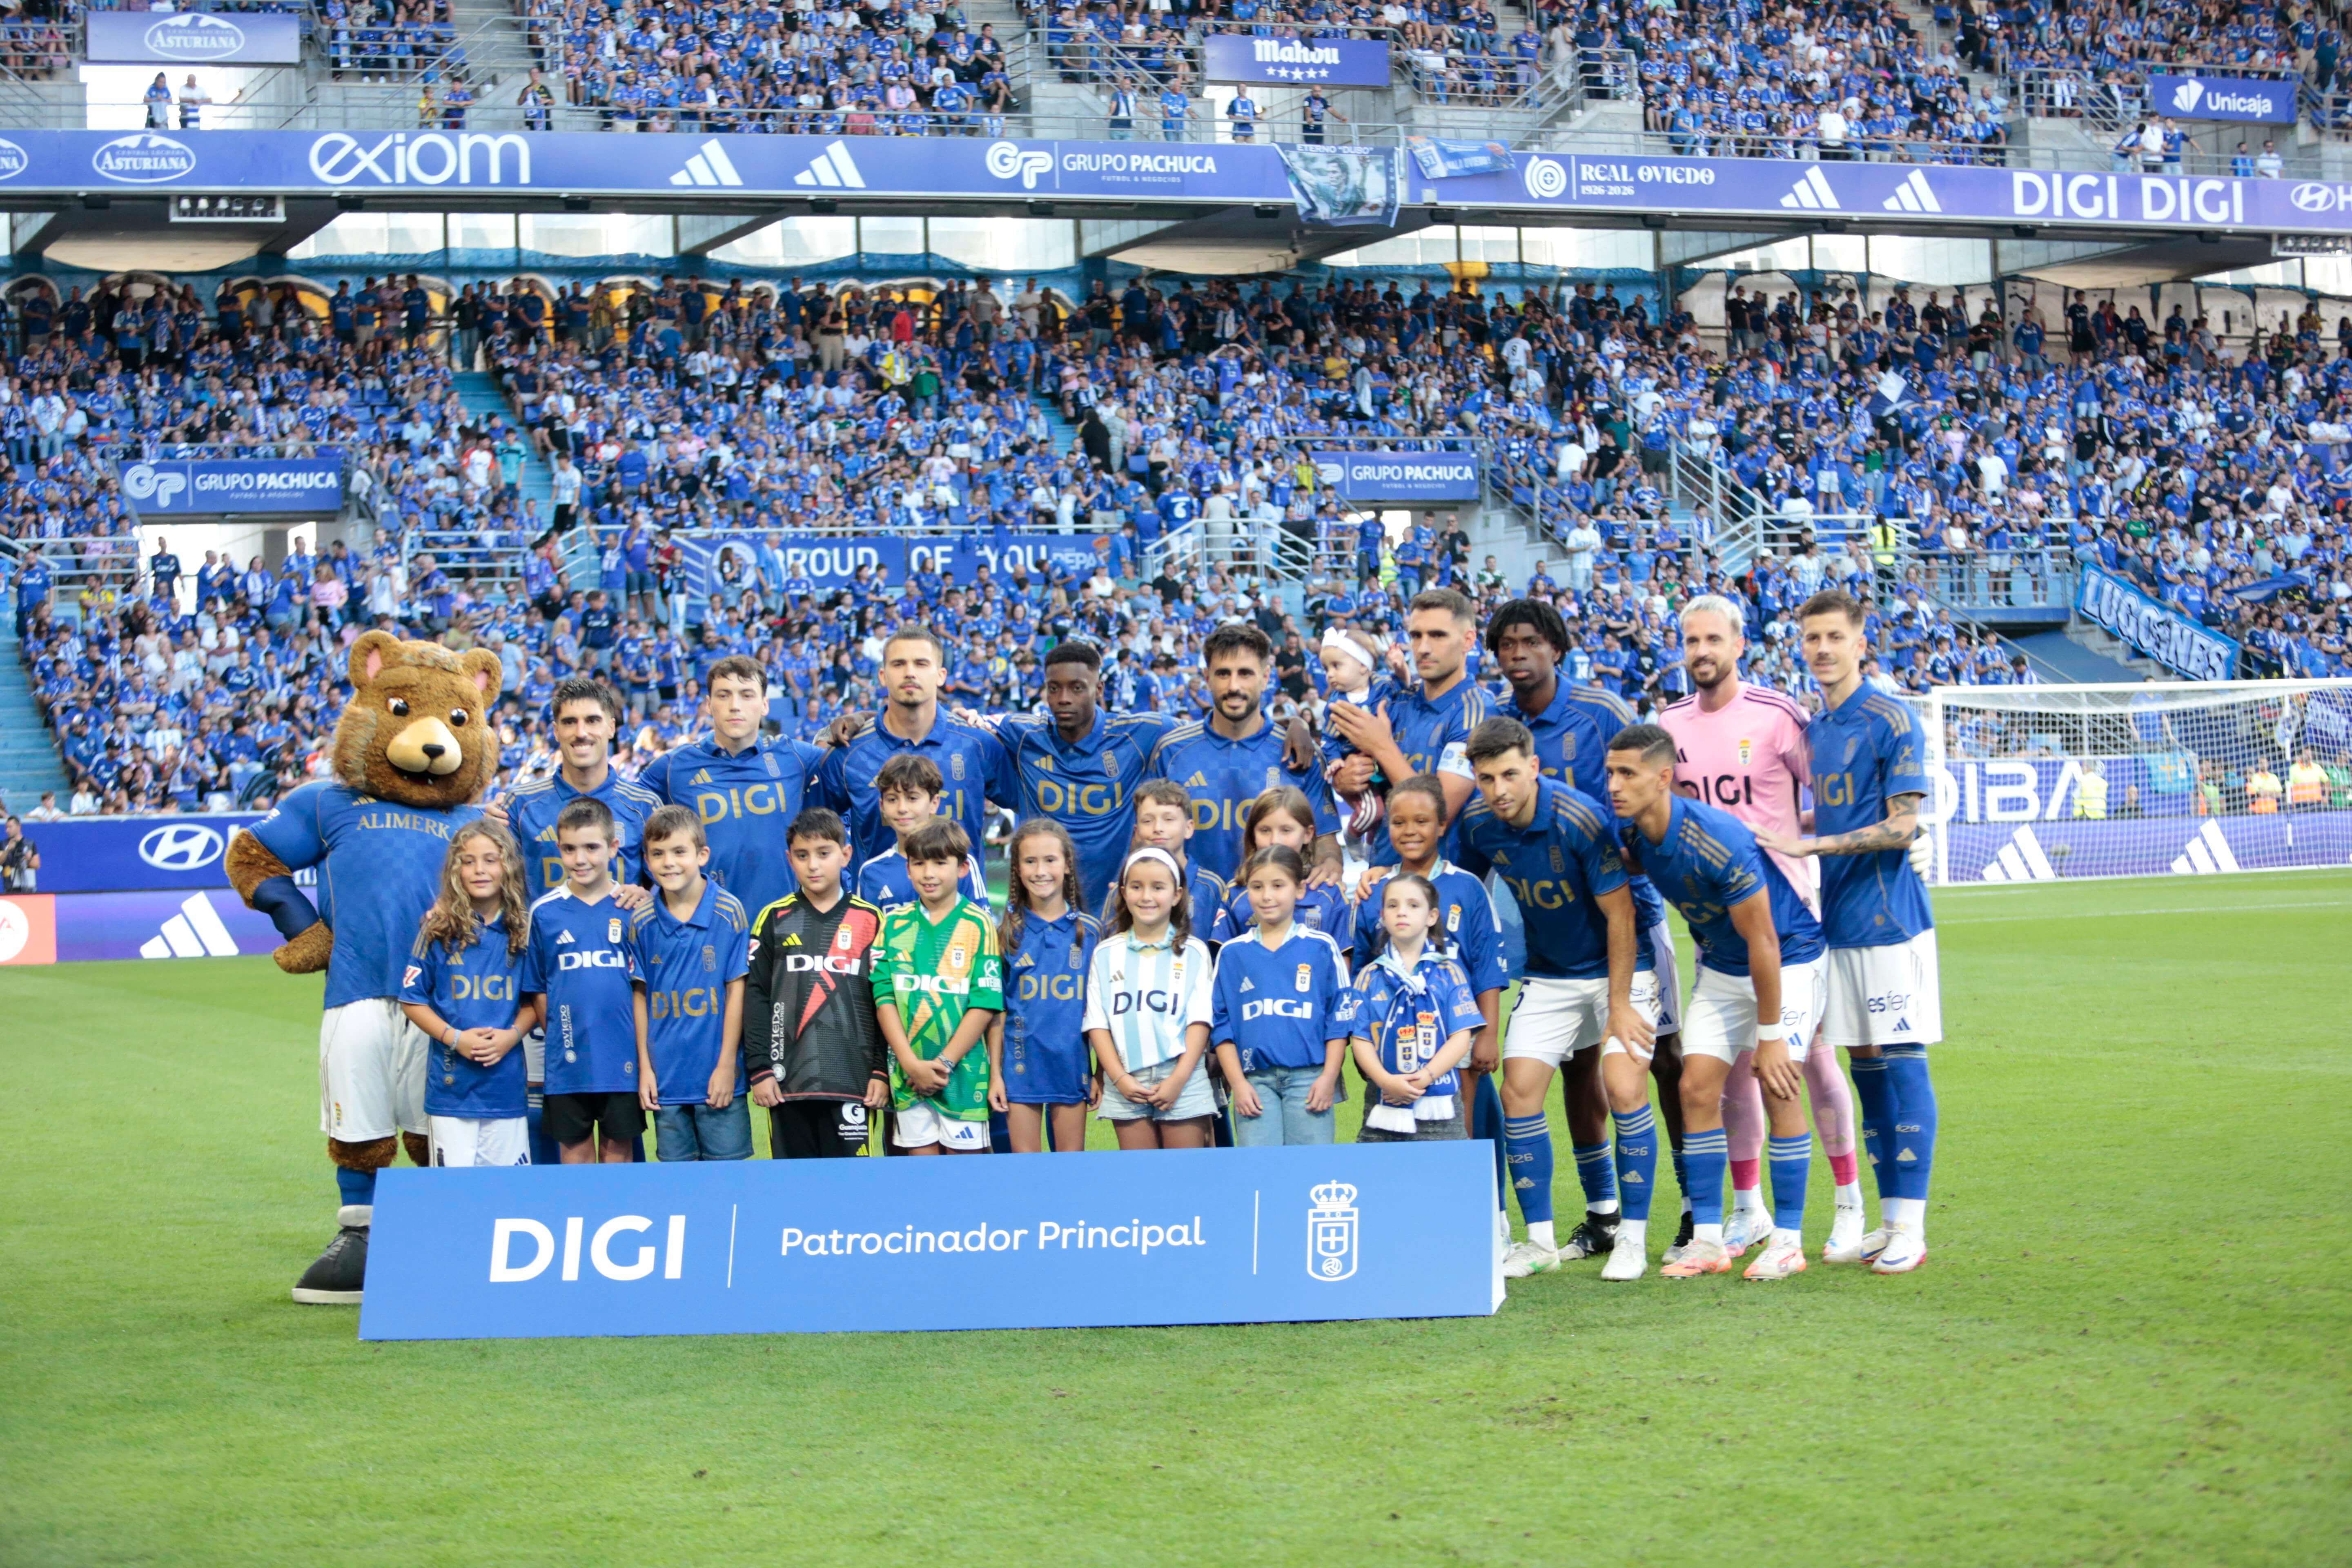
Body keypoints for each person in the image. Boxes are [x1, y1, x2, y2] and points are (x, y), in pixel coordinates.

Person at [1657, 593, 1864, 1261]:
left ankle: (1849, 1203)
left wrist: (1789, 837)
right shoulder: (1670, 724)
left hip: (1789, 918)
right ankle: (1748, 1209)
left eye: (1713, 640)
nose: (1701, 652)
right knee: (1733, 1073)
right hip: (1720, 930)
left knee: (1807, 1064)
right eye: (1692, 641)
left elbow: (1833, 801)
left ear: (1739, 645)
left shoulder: (1777, 716)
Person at [1486, 595, 1683, 1257]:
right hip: (1553, 931)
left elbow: (1657, 787)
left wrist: (1641, 854)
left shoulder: (1602, 712)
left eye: (1529, 642)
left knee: (1664, 1062)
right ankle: (1603, 1217)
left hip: (1630, 913)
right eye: (1506, 645)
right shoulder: (1499, 725)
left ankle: (1693, 1209)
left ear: (1557, 649)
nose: (1517, 654)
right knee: (1576, 1068)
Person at [1752, 590, 1940, 1275]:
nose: (1823, 649)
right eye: (1812, 638)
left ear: (1862, 643)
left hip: (1891, 921)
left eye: (1835, 637)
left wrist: (1810, 847)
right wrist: (1775, 830)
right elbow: (1834, 816)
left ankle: (1912, 1226)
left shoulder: (1892, 719)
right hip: (1839, 923)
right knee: (1866, 1074)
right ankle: (1887, 1223)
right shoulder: (1818, 729)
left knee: (1903, 1064)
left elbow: (1902, 824)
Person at [1604, 725, 1826, 1281]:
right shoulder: (1634, 833)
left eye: (1627, 773)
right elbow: (1634, 863)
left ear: (1663, 778)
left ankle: (1789, 1241)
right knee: (1696, 1089)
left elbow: (1765, 941)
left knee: (1780, 1084)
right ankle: (1706, 1241)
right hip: (1725, 968)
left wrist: (1770, 1037)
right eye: (1610, 773)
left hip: (1788, 960)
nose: (1615, 785)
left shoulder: (1717, 838)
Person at [1454, 717, 1657, 1278]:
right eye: (1487, 778)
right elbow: (1455, 887)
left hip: (1620, 968)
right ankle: (1540, 1244)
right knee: (1519, 1093)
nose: (1499, 790)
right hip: (1550, 974)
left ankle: (1633, 1239)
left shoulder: (1579, 818)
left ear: (1534, 767)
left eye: (1510, 775)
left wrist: (1620, 1005)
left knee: (1623, 1086)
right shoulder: (1477, 823)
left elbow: (1621, 915)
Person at [1349, 775, 1506, 1225]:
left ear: (1441, 825)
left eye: (1421, 821)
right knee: (1390, 1135)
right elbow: (1362, 969)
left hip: (1454, 1036)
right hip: (1390, 1045)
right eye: (1399, 822)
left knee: (1456, 1132)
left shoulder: (1468, 887)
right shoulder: (1376, 892)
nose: (1410, 830)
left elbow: (1486, 965)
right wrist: (1366, 1050)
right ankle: (1398, 1226)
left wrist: (1487, 1035)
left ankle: (1478, 1225)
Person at [985, 638, 1178, 910]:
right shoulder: (1024, 734)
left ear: (1098, 689)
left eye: (1077, 688)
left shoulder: (1138, 733)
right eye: (1054, 688)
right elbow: (976, 725)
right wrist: (968, 716)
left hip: (1115, 909)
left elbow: (1199, 735)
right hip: (1041, 910)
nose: (1064, 698)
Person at [742, 808, 888, 1159]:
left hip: (854, 1082)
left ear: (846, 855)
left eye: (824, 853)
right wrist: (760, 1069)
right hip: (787, 1083)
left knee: (851, 1182)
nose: (813, 865)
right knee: (793, 1182)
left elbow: (885, 1001)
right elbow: (756, 996)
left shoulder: (871, 920)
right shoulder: (773, 918)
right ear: (789, 859)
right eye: (802, 855)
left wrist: (881, 1070)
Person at [1145, 624, 1340, 884]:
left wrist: (1330, 863)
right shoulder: (1171, 751)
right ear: (1207, 678)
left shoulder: (1301, 753)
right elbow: (1147, 840)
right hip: (1190, 906)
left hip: (1270, 905)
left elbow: (1325, 840)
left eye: (1245, 673)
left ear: (1266, 677)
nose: (1234, 686)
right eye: (1223, 674)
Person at [636, 655, 829, 919]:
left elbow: (854, 767)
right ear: (709, 705)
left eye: (747, 695)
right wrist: (641, 884)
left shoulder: (795, 757)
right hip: (707, 926)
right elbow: (627, 813)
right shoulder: (673, 767)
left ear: (765, 705)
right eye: (724, 695)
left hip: (785, 923)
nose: (735, 706)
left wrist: (857, 719)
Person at [822, 626, 1015, 871]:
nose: (910, 673)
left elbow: (1029, 807)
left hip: (960, 895)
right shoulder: (850, 752)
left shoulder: (978, 744)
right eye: (899, 664)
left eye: (921, 664)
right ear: (883, 676)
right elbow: (812, 835)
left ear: (941, 676)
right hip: (879, 896)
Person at [397, 823, 532, 1167]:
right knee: (453, 1190)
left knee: (506, 1191)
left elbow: (537, 999)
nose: (479, 870)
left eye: (490, 860)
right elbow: (411, 999)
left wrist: (511, 1036)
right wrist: (455, 1039)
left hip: (505, 1088)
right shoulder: (438, 928)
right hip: (451, 1089)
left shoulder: (525, 929)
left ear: (508, 866)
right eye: (469, 862)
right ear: (456, 870)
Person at [518, 798, 644, 1165]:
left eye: (592, 847)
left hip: (622, 1060)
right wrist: (563, 1036)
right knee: (575, 1158)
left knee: (618, 1155)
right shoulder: (545, 912)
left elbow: (643, 986)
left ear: (613, 847)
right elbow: (538, 987)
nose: (581, 859)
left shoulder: (633, 908)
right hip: (568, 1064)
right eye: (570, 849)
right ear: (559, 849)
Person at [1327, 588, 1490, 866]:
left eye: (1438, 636)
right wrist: (1345, 779)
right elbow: (1356, 774)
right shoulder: (1395, 699)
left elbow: (1439, 813)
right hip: (1381, 873)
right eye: (1416, 636)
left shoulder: (1476, 711)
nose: (1423, 648)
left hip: (1441, 881)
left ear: (1468, 640)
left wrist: (1381, 747)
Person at [869, 819, 1003, 1154]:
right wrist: (910, 1064)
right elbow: (883, 997)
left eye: (940, 863)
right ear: (908, 869)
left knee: (965, 1177)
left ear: (962, 869)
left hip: (963, 1076)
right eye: (919, 864)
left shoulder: (979, 925)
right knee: (923, 1176)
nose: (929, 873)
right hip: (909, 1076)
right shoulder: (893, 924)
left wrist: (944, 1063)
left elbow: (985, 1003)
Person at [628, 806, 752, 1161]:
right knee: (677, 1183)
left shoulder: (729, 912)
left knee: (729, 1179)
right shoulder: (641, 921)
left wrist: (727, 1065)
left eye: (679, 852)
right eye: (658, 854)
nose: (669, 863)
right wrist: (645, 1069)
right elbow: (640, 996)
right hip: (665, 1082)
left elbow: (737, 990)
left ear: (702, 855)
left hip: (718, 1078)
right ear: (647, 860)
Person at [1209, 844, 1351, 1146]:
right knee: (1260, 1169)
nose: (1267, 896)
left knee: (1310, 1169)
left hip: (1310, 1079)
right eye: (1257, 887)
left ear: (1299, 890)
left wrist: (1329, 1078)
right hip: (1254, 1083)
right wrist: (1238, 1083)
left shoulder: (1322, 947)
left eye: (1278, 885)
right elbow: (1221, 1026)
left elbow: (1339, 1019)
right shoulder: (1232, 954)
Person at [1085, 846, 1216, 1149]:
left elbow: (1200, 1023)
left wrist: (1178, 1080)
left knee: (1183, 1172)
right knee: (1140, 1173)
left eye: (1158, 887)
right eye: (1136, 887)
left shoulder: (1194, 952)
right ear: (1123, 893)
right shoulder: (1106, 953)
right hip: (1126, 1079)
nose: (1146, 896)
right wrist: (1119, 1079)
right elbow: (1098, 1025)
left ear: (1177, 895)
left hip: (1182, 1077)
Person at [988, 819, 1100, 1154]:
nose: (1040, 871)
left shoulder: (1091, 933)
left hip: (1072, 1068)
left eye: (1050, 860)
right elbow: (997, 1012)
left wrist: (1101, 1075)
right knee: (1026, 1169)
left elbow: (1101, 1014)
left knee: (1070, 1168)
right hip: (1020, 1069)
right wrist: (996, 1074)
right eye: (1030, 861)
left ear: (1067, 865)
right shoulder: (1005, 934)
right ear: (1017, 869)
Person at [1345, 873, 1483, 1144]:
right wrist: (1385, 1080)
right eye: (1393, 905)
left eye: (1413, 905)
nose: (1402, 912)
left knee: (1444, 1169)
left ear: (1432, 917)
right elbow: (1360, 1038)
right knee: (1381, 1169)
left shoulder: (1449, 973)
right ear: (1383, 916)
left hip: (1440, 1101)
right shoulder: (1369, 976)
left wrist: (1427, 1076)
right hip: (1384, 1097)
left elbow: (1461, 1037)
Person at [501, 676, 662, 901]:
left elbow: (669, 889)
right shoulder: (519, 805)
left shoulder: (644, 806)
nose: (581, 733)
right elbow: (498, 890)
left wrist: (649, 897)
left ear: (611, 727)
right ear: (556, 731)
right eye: (569, 722)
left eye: (592, 721)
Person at [855, 753, 990, 913]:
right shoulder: (872, 872)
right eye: (892, 799)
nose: (902, 808)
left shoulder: (959, 862)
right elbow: (866, 927)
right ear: (882, 806)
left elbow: (980, 924)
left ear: (934, 803)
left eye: (912, 798)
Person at [1211, 787, 1350, 941]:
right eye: (1265, 831)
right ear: (1253, 835)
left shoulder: (1330, 894)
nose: (1275, 841)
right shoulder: (1236, 893)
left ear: (1308, 834)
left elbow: (1342, 954)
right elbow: (1223, 953)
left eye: (1286, 830)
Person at [1127, 779, 1228, 935]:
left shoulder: (1212, 888)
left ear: (1188, 828)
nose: (1158, 828)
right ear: (1137, 832)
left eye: (1169, 819)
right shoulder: (1126, 888)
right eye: (1148, 821)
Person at [0, 816, 35, 893]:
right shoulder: (3, 844)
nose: (7, 830)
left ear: (19, 827)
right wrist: (8, 850)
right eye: (6, 828)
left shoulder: (29, 843)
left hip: (27, 885)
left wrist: (28, 859)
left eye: (10, 827)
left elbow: (37, 865)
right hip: (9, 886)